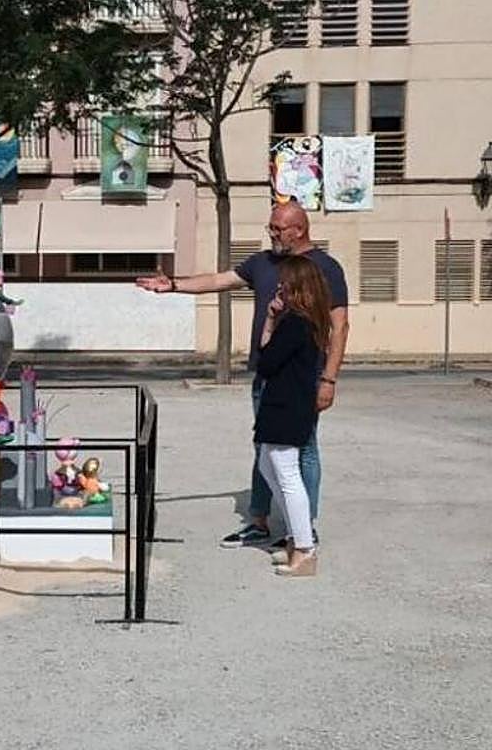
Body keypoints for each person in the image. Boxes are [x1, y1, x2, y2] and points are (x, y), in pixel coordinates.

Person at [136, 201, 350, 549]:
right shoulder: (262, 262)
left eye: (278, 228)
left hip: (304, 378)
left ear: (299, 229)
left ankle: (303, 528)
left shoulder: (326, 268)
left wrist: (328, 380)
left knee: (305, 449)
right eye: (270, 227)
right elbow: (218, 280)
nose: (272, 234)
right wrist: (172, 285)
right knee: (263, 448)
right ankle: (259, 522)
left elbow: (340, 327)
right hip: (267, 374)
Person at [255, 255, 333, 577]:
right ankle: (294, 538)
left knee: (287, 476)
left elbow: (265, 362)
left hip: (286, 408)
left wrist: (270, 322)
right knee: (268, 466)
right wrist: (271, 317)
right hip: (286, 405)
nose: (279, 288)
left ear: (297, 287)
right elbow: (267, 359)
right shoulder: (305, 321)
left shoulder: (296, 324)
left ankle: (304, 549)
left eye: (284, 283)